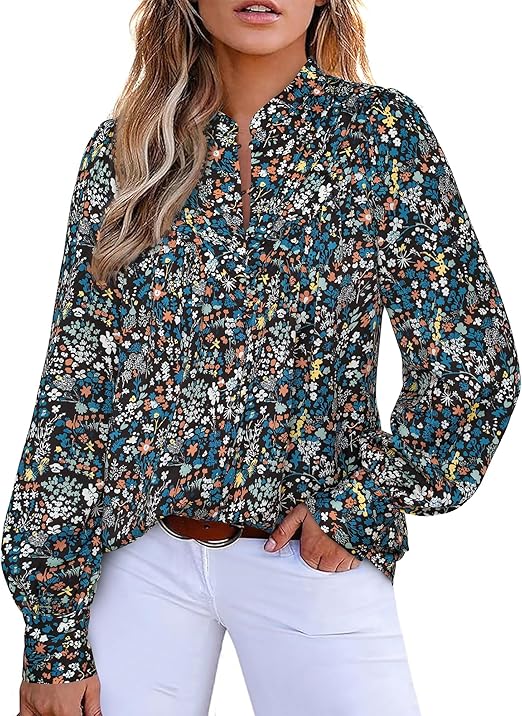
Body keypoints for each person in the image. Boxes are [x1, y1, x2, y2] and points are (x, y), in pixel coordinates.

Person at [2, 1, 520, 714]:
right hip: (137, 558)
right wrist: (52, 634)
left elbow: (472, 354)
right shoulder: (126, 152)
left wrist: (361, 504)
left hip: (308, 555)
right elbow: (74, 389)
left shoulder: (378, 136)